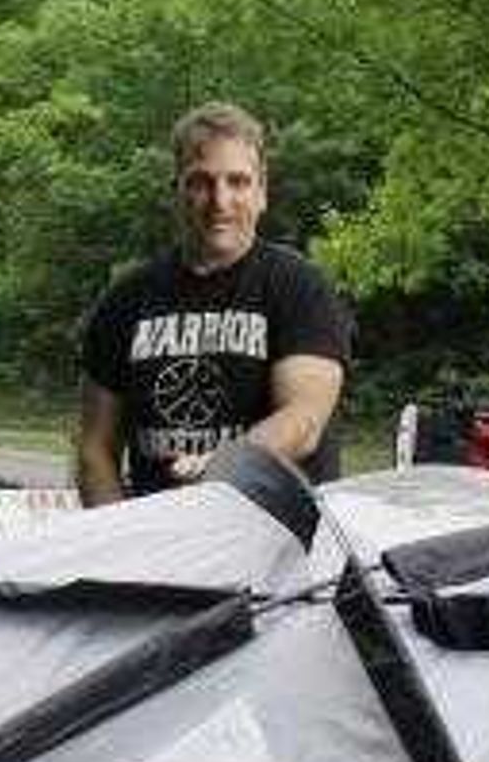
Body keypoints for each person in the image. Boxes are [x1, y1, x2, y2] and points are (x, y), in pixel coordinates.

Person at [74, 103, 351, 505]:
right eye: (201, 182)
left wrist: (224, 464)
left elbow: (304, 422)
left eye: (237, 182)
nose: (220, 200)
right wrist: (119, 539)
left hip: (281, 548)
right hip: (167, 548)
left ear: (261, 193)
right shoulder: (125, 300)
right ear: (177, 190)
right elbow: (95, 448)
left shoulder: (299, 287)